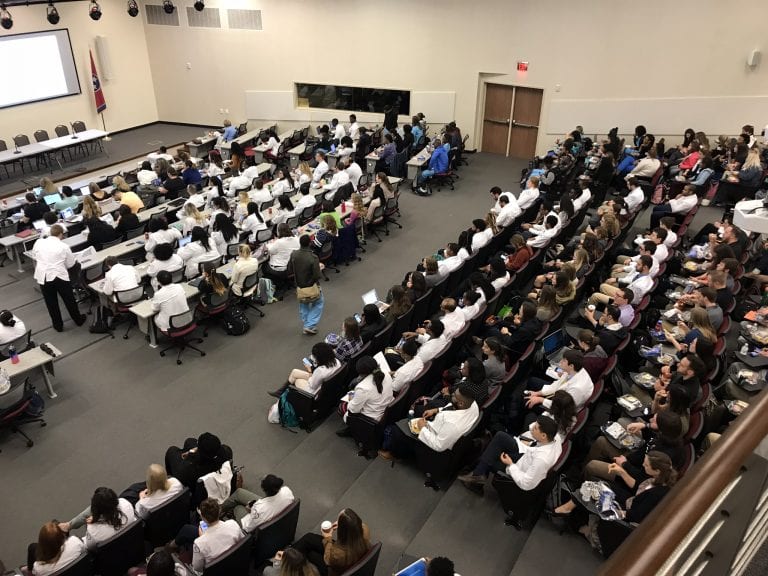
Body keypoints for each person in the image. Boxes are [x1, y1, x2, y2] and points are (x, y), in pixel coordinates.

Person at [458, 415, 561, 501]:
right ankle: (477, 475)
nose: (532, 427)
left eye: (536, 428)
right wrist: (529, 443)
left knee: (492, 452)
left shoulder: (541, 460)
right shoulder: (555, 437)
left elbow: (526, 483)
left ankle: (476, 476)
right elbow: (535, 445)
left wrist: (511, 464)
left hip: (519, 468)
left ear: (543, 436)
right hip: (526, 454)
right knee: (500, 437)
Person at [378, 385, 479, 460]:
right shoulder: (472, 404)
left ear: (461, 403)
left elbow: (438, 446)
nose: (451, 395)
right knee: (419, 410)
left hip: (434, 445)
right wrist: (437, 410)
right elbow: (452, 407)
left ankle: (395, 455)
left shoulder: (452, 424)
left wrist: (422, 429)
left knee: (397, 431)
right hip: (440, 426)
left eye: (454, 396)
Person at [32, 225, 86, 332]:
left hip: (43, 276)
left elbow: (34, 256)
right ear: (61, 234)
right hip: (59, 275)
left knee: (51, 302)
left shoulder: (39, 242)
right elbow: (70, 264)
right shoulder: (64, 246)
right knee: (69, 299)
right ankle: (78, 320)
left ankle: (58, 325)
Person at [290, 508, 371, 576]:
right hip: (351, 555)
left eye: (339, 520)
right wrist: (343, 524)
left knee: (310, 553)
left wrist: (328, 537)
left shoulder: (338, 555)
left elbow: (328, 559)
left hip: (333, 569)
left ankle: (288, 561)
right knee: (309, 538)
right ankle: (290, 553)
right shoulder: (364, 529)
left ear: (343, 530)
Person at [58, 486, 136, 550]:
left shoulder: (93, 530)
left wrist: (95, 520)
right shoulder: (126, 504)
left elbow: (90, 548)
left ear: (95, 510)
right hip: (133, 547)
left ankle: (69, 525)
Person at [337, 355, 394, 435]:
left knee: (342, 406)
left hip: (370, 418)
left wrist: (351, 393)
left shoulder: (363, 388)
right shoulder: (385, 373)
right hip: (385, 409)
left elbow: (353, 410)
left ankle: (352, 429)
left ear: (361, 374)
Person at [223, 474, 295, 534]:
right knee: (239, 492)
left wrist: (250, 511)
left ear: (264, 490)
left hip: (251, 524)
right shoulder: (287, 491)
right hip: (271, 512)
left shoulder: (259, 509)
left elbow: (249, 527)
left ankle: (219, 511)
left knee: (238, 507)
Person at [189, 498, 244, 573]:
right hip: (236, 565)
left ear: (202, 517)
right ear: (219, 511)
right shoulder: (233, 524)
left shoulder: (199, 543)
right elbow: (242, 543)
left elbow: (197, 568)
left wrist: (202, 538)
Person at [164, 432, 231, 491]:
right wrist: (195, 450)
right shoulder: (226, 454)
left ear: (199, 453)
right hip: (208, 464)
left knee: (172, 450)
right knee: (189, 441)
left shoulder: (188, 470)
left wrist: (190, 455)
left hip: (193, 479)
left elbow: (188, 466)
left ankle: (170, 478)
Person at [270, 342, 340, 397]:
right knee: (294, 372)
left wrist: (309, 370)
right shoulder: (337, 361)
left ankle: (288, 396)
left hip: (314, 392)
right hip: (324, 384)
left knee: (297, 380)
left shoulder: (320, 371)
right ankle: (280, 392)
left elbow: (312, 385)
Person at [290, 234, 324, 334]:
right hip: (311, 286)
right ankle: (309, 325)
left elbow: (290, 269)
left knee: (303, 305)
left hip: (299, 286)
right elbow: (317, 275)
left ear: (300, 243)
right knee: (319, 303)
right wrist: (320, 268)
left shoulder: (294, 254)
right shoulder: (313, 257)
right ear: (310, 243)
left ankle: (307, 325)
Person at [264, 223, 301, 288]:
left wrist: (269, 245)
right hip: (293, 266)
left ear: (279, 232)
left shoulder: (279, 242)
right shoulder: (297, 239)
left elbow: (271, 251)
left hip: (280, 269)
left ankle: (273, 283)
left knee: (264, 266)